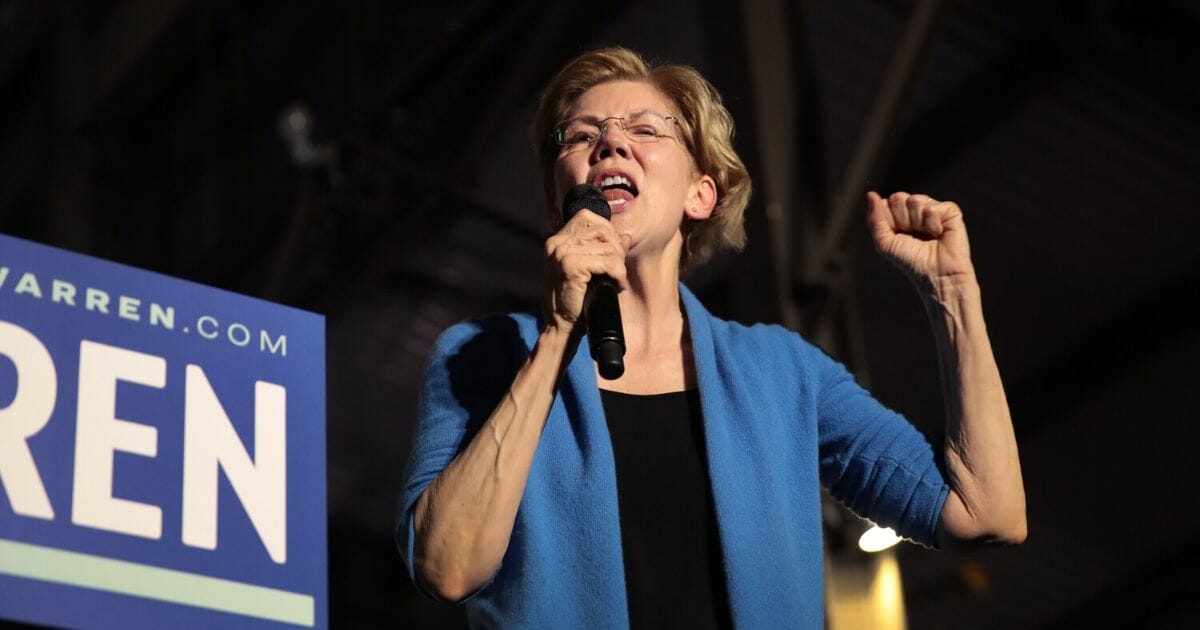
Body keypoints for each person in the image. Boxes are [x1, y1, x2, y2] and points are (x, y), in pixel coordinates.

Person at [396, 47, 1026, 629]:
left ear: (703, 193)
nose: (611, 142)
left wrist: (954, 296)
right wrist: (560, 334)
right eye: (583, 135)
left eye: (645, 129)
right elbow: (447, 568)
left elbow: (986, 515)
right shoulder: (480, 354)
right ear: (554, 198)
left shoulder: (783, 373)